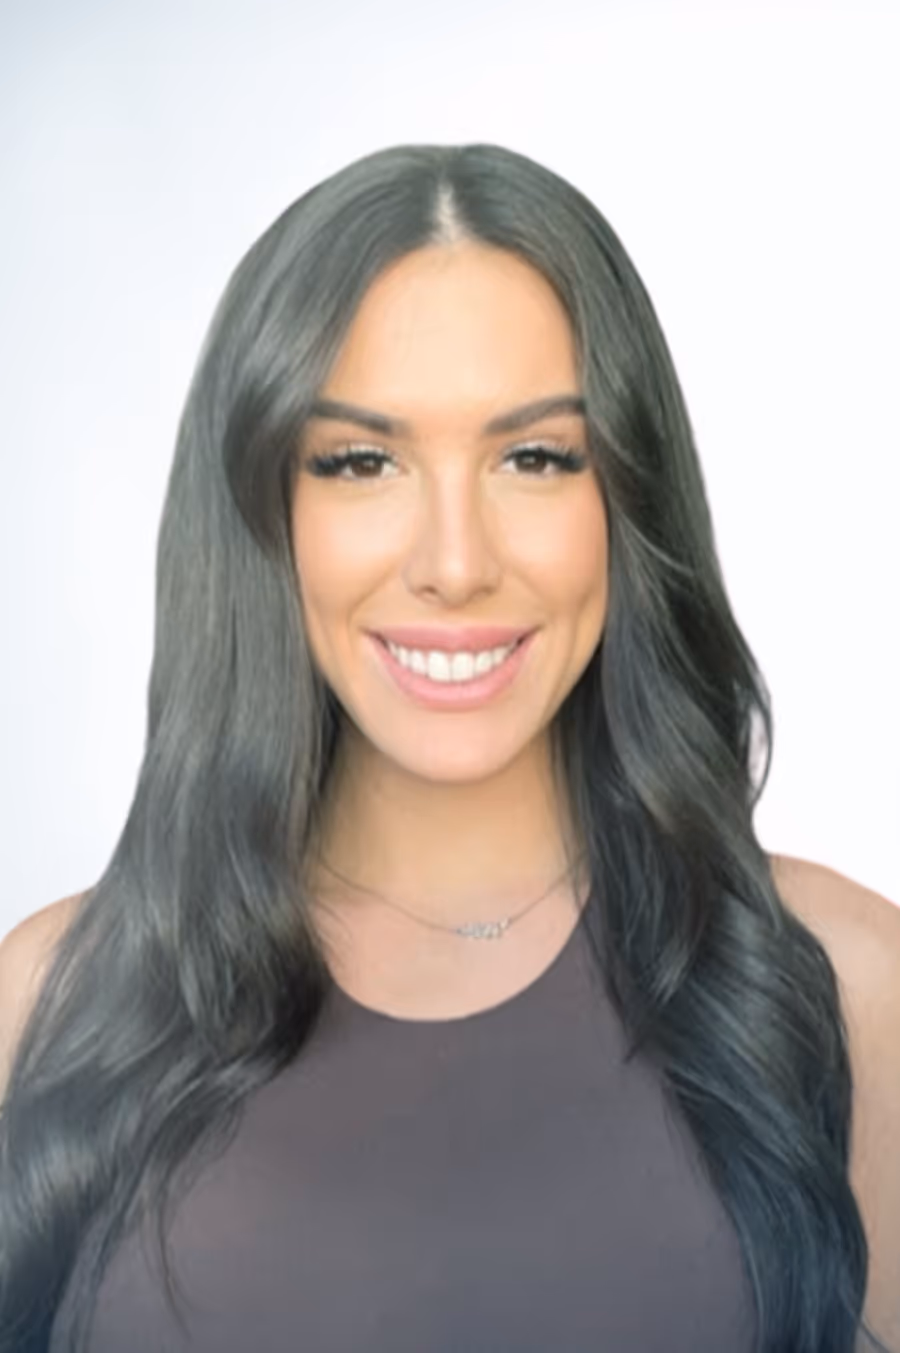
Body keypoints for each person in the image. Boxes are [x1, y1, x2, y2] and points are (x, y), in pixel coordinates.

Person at [0, 143, 896, 1353]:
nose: (457, 559)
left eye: (534, 457)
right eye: (362, 462)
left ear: (627, 497)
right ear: (267, 512)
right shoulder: (49, 1005)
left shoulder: (839, 987)